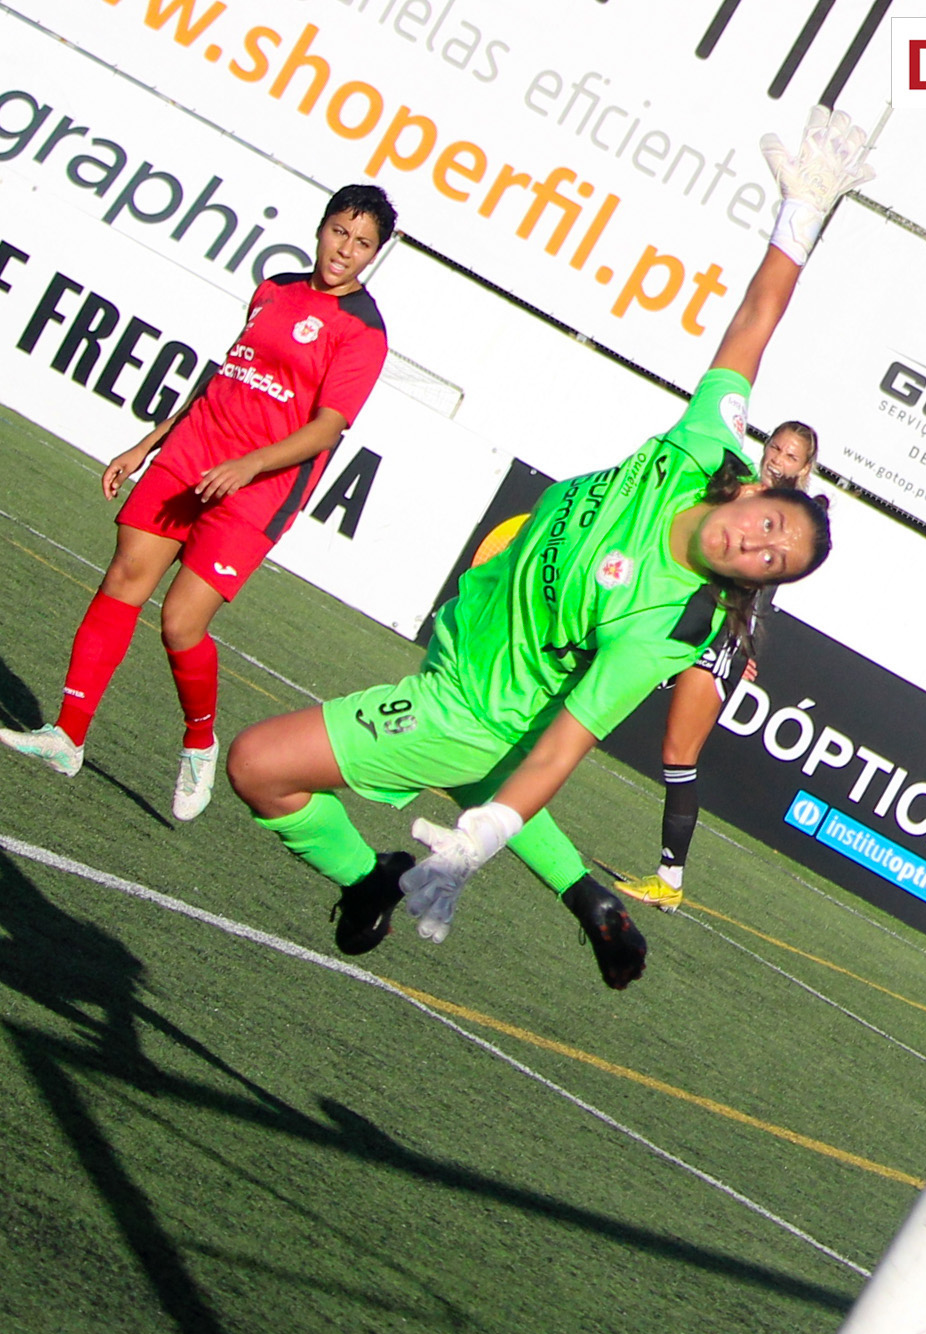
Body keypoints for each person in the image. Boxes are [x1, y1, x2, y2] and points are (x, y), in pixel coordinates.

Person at [223, 108, 871, 986]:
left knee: (258, 766)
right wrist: (800, 218)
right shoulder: (703, 448)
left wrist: (473, 848)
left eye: (772, 562)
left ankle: (366, 875)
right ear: (755, 485)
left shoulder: (671, 622)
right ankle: (583, 895)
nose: (756, 545)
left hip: (465, 706)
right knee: (488, 765)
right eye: (770, 526)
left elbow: (563, 746)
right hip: (484, 666)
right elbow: (755, 321)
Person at [1, 185, 397, 821]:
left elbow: (326, 429)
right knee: (124, 578)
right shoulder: (274, 289)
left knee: (181, 622)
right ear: (321, 228)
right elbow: (225, 376)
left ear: (376, 254)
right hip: (190, 456)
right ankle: (66, 737)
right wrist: (147, 444)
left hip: (258, 486)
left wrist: (247, 466)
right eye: (339, 233)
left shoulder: (364, 332)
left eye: (362, 244)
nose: (345, 251)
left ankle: (197, 741)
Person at [609, 419, 817, 913]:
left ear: (805, 467)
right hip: (688, 618)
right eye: (776, 448)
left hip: (722, 636)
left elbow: (764, 589)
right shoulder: (742, 485)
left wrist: (745, 650)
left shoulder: (797, 515)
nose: (778, 459)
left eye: (791, 456)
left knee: (679, 755)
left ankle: (669, 878)